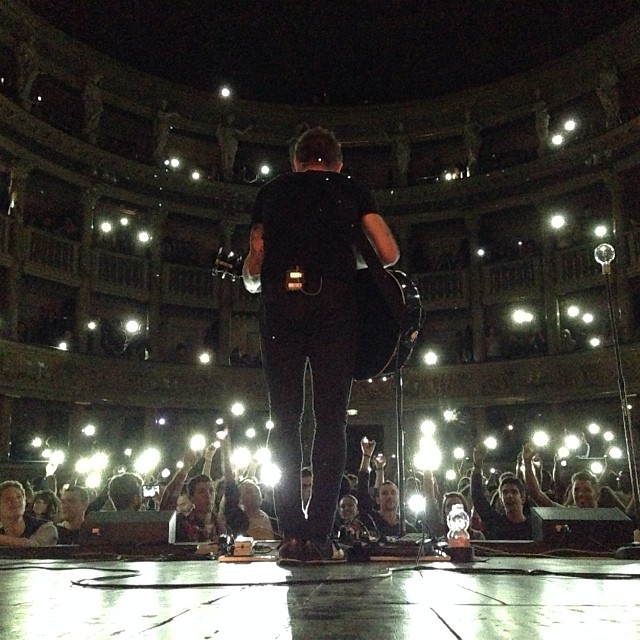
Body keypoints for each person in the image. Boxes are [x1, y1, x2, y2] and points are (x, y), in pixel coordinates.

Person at [242, 126, 399, 564]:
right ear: (337, 162)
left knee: (284, 420)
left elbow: (253, 271)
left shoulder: (272, 191)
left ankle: (291, 536)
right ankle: (320, 536)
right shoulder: (350, 188)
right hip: (336, 311)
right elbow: (388, 253)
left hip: (279, 309)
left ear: (295, 161)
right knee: (331, 421)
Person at [471, 446, 532, 540]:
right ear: (501, 499)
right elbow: (477, 497)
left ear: (523, 498)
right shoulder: (495, 522)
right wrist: (477, 465)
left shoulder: (534, 526)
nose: (509, 496)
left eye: (514, 492)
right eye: (505, 492)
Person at [0, 480, 58, 547]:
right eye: (8, 498)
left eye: (19, 497)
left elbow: (35, 549)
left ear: (25, 501)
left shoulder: (46, 528)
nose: (15, 501)